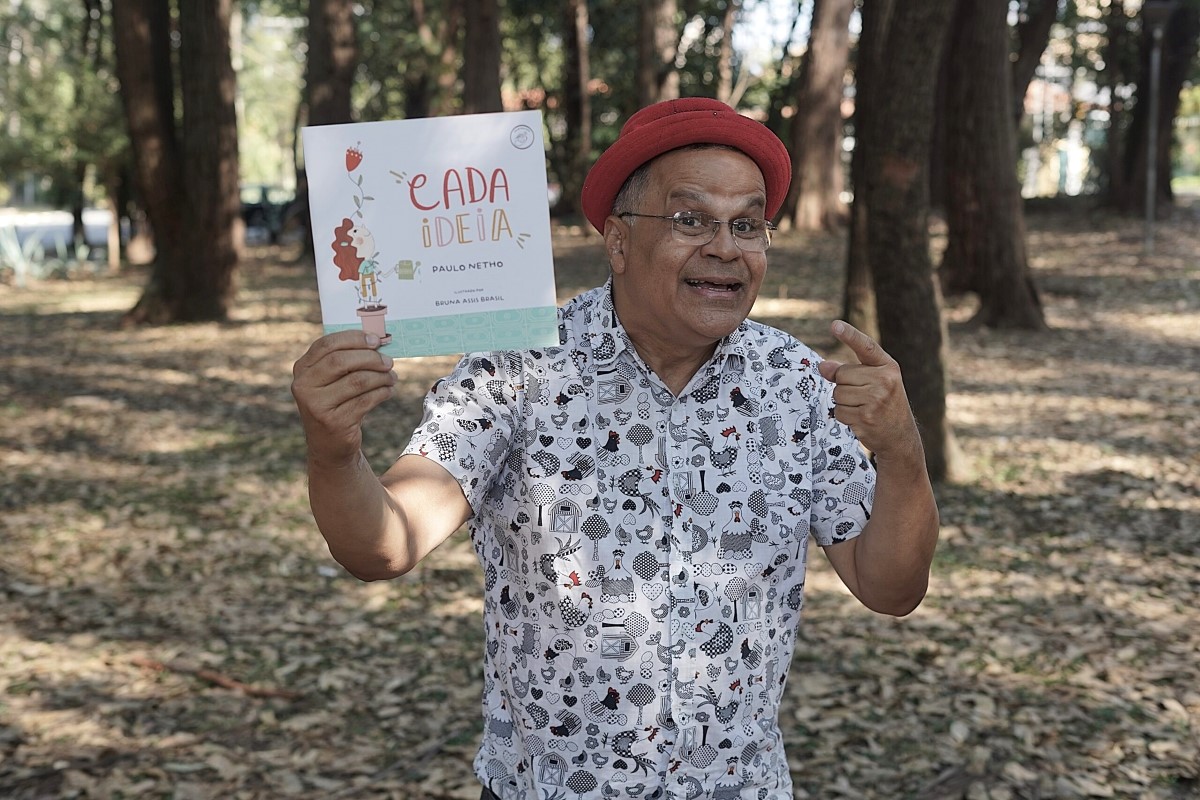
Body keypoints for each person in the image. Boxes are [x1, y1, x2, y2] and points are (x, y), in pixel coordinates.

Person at [291, 97, 939, 800]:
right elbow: (384, 545)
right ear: (619, 241)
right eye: (691, 220)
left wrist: (901, 451)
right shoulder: (517, 370)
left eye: (747, 224)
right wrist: (334, 451)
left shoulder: (796, 384)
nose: (725, 248)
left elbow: (890, 587)